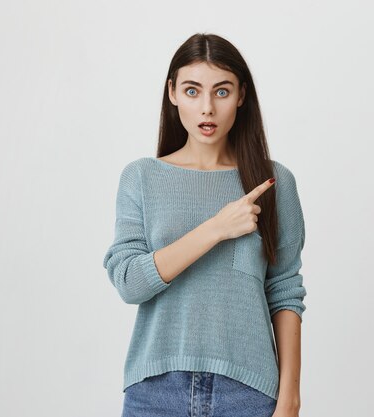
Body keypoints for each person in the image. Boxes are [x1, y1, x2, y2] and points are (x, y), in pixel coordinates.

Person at [102, 33, 307, 417]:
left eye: (222, 91)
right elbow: (129, 282)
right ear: (173, 92)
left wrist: (290, 400)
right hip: (156, 392)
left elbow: (285, 291)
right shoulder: (142, 177)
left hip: (247, 392)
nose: (207, 108)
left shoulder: (274, 182)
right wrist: (216, 228)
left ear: (242, 95)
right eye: (193, 91)